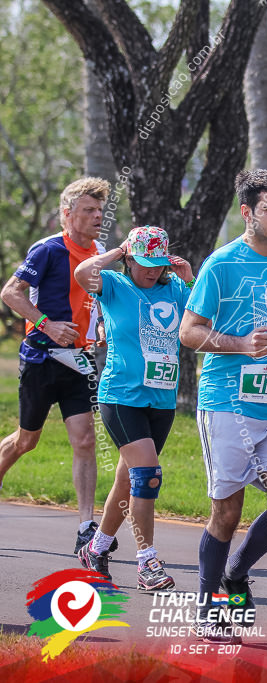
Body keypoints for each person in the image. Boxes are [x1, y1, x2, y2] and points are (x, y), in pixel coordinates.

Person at [179, 169, 267, 642]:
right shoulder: (221, 265)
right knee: (227, 512)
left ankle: (235, 573)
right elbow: (189, 331)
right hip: (227, 402)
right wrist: (240, 344)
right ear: (247, 213)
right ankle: (205, 607)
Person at [0, 177, 117, 554]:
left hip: (78, 362)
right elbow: (10, 293)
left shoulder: (101, 252)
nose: (97, 216)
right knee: (27, 441)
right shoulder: (47, 250)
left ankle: (86, 526)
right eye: (88, 210)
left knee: (84, 440)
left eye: (100, 210)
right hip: (40, 357)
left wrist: (99, 327)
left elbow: (99, 300)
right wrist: (47, 323)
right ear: (67, 215)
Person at [73, 226, 193, 590]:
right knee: (148, 476)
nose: (151, 270)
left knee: (128, 479)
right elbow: (81, 274)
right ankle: (147, 563)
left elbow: (206, 317)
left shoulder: (175, 290)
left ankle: (97, 548)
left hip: (162, 399)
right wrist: (115, 252)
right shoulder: (113, 285)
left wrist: (191, 278)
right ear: (129, 258)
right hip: (121, 396)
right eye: (143, 262)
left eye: (158, 263)